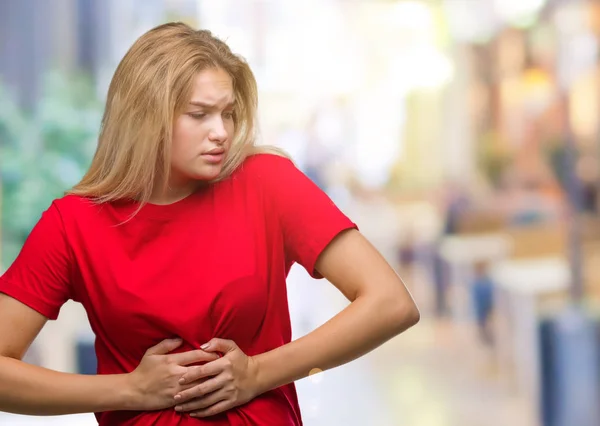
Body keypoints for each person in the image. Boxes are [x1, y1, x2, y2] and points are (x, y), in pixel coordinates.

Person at [0, 22, 419, 425]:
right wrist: (130, 390)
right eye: (199, 114)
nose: (221, 131)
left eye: (228, 113)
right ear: (144, 117)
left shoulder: (267, 183)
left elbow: (390, 304)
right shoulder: (73, 223)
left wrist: (258, 373)